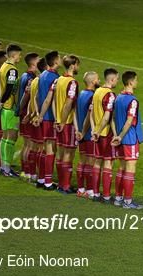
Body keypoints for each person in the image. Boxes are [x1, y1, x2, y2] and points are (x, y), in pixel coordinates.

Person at [112, 71, 143, 209]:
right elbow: (129, 121)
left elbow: (112, 118)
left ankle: (118, 198)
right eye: (136, 80)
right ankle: (128, 202)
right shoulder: (133, 101)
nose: (137, 82)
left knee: (121, 168)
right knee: (130, 170)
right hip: (129, 139)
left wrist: (116, 135)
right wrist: (121, 136)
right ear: (130, 82)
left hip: (120, 139)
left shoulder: (118, 97)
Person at [52, 55, 80, 194]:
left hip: (58, 121)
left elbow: (53, 100)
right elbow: (69, 103)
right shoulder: (72, 83)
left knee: (60, 153)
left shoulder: (59, 79)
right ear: (73, 65)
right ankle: (66, 186)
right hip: (67, 123)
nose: (78, 67)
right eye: (77, 65)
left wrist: (57, 119)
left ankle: (60, 184)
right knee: (68, 154)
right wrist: (63, 122)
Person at [90, 68, 118, 204]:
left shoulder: (97, 92)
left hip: (97, 133)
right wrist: (100, 130)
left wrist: (94, 130)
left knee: (97, 162)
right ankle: (106, 196)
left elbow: (91, 113)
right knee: (108, 163)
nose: (117, 81)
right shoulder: (110, 95)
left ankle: (95, 194)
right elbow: (107, 116)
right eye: (117, 79)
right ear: (112, 80)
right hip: (106, 133)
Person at [34, 51, 61, 190]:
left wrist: (38, 114)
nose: (61, 59)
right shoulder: (55, 77)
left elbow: (37, 97)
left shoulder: (42, 75)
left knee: (45, 148)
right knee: (50, 149)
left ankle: (40, 179)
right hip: (49, 117)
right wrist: (42, 116)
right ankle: (48, 182)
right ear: (55, 62)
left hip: (43, 116)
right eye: (60, 58)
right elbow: (48, 100)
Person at [0, 44, 23, 177]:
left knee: (5, 137)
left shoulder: (3, 66)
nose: (20, 57)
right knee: (11, 138)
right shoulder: (12, 70)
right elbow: (9, 88)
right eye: (19, 54)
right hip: (9, 107)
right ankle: (6, 169)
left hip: (4, 108)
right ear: (13, 55)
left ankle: (4, 167)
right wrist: (2, 102)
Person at [75, 71, 100, 198]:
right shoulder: (92, 96)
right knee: (91, 162)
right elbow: (88, 117)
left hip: (80, 134)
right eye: (97, 79)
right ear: (93, 82)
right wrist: (84, 132)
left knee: (82, 161)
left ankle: (80, 189)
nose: (99, 80)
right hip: (88, 134)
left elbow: (74, 113)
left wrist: (77, 130)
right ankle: (90, 191)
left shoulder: (81, 94)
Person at [17, 52, 40, 180]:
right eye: (38, 60)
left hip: (23, 114)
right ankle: (30, 173)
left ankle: (24, 171)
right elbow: (26, 96)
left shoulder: (24, 75)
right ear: (33, 63)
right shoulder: (31, 78)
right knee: (30, 145)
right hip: (28, 115)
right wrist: (25, 112)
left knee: (26, 144)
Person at [27, 58, 48, 185]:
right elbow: (40, 98)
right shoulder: (43, 81)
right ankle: (42, 177)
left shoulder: (35, 80)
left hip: (35, 117)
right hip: (41, 119)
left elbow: (33, 98)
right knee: (42, 149)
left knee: (33, 147)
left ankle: (32, 174)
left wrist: (32, 113)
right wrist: (39, 115)